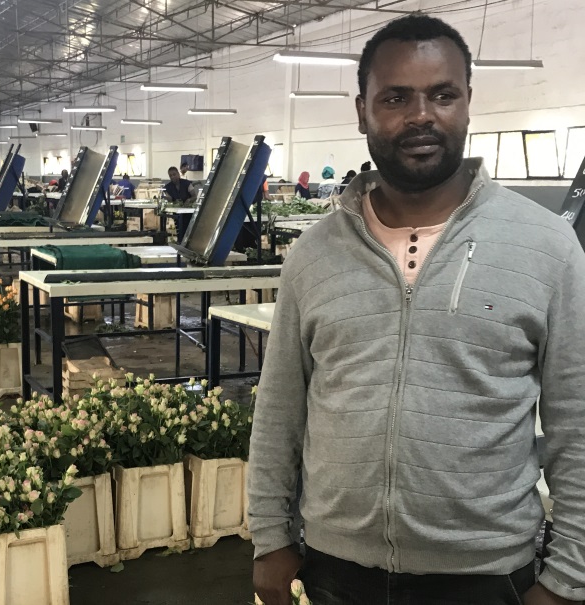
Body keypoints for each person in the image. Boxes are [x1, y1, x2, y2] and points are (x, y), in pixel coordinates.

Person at [249, 13, 585, 605]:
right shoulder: (314, 254)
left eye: (442, 95)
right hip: (335, 572)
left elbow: (576, 426)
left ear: (468, 103)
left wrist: (567, 579)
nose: (421, 115)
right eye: (396, 97)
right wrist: (271, 539)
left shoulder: (546, 248)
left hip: (488, 577)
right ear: (362, 111)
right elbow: (279, 411)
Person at [164, 166, 197, 242]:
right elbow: (170, 199)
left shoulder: (187, 184)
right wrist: (167, 199)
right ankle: (181, 242)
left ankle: (187, 243)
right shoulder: (168, 187)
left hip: (189, 211)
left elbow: (194, 196)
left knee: (188, 228)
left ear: (178, 174)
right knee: (180, 229)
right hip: (177, 212)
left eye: (174, 174)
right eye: (170, 175)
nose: (173, 177)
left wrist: (189, 200)